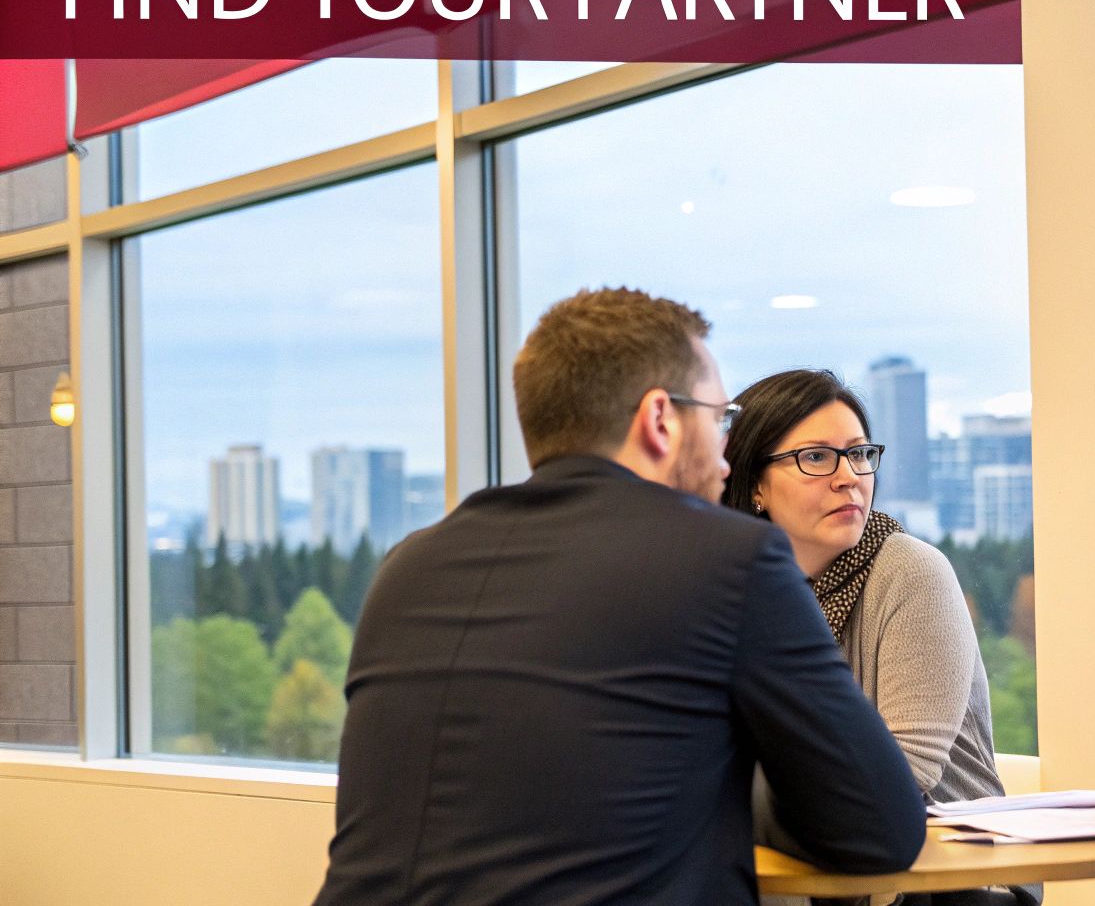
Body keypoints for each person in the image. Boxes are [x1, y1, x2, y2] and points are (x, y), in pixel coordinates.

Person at [315, 289, 925, 906]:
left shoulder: (411, 566)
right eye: (719, 420)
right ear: (660, 419)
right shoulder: (728, 559)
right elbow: (881, 829)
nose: (724, 459)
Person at [722, 369, 1038, 906]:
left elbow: (899, 781)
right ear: (754, 483)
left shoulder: (910, 573)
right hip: (804, 868)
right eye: (817, 457)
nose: (850, 477)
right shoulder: (734, 591)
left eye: (859, 454)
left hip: (949, 881)